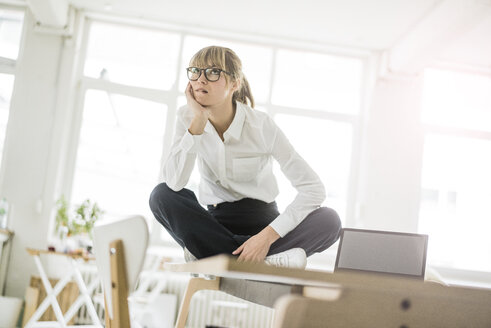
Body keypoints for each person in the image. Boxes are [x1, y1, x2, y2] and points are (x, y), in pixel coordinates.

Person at [149, 46, 341, 268]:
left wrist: (265, 238)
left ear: (234, 83)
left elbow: (314, 189)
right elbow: (174, 182)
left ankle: (216, 256)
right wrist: (198, 121)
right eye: (195, 71)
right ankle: (260, 260)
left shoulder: (261, 125)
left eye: (212, 72)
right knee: (160, 195)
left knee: (330, 221)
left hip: (264, 224)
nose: (201, 79)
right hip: (215, 226)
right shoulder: (186, 117)